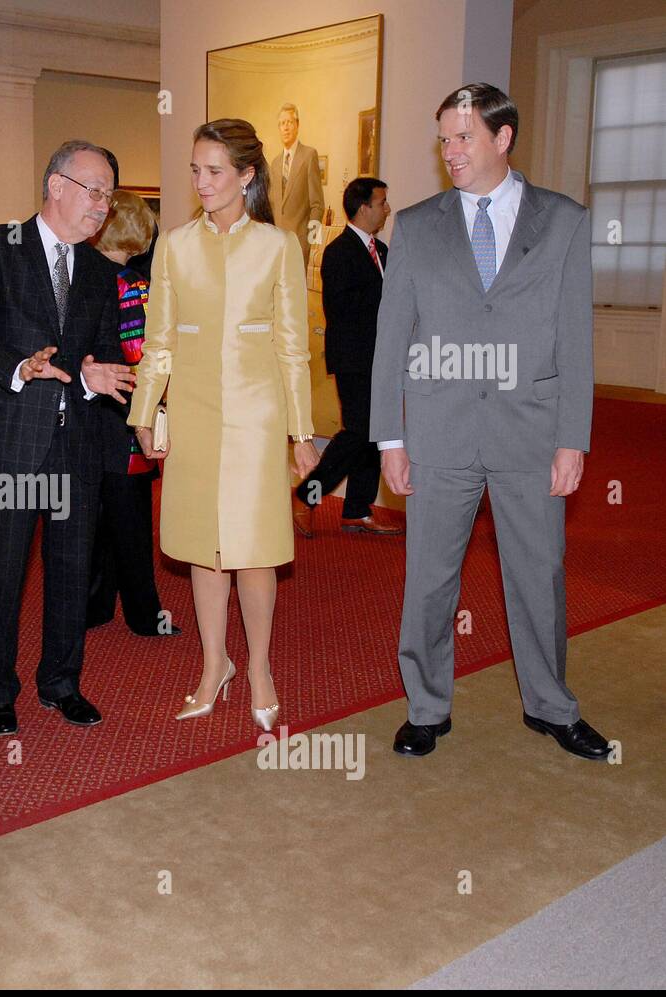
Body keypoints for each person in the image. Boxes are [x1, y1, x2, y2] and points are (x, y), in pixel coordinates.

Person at [371, 83, 610, 761]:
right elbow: (393, 339)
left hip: (531, 434)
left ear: (504, 138)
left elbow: (575, 340)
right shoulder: (417, 225)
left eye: (464, 137)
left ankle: (550, 706)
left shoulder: (563, 221)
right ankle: (426, 707)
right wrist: (391, 435)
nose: (450, 151)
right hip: (438, 433)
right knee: (429, 579)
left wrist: (573, 438)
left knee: (540, 576)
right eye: (443, 137)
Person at [129, 119, 318, 729]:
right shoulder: (173, 246)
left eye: (214, 171)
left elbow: (293, 348)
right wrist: (145, 413)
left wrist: (301, 432)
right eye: (195, 170)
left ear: (246, 176)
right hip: (192, 414)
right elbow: (157, 342)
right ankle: (215, 665)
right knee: (202, 552)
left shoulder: (278, 246)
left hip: (258, 419)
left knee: (255, 550)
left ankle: (259, 667)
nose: (201, 182)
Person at [0, 139, 137, 736]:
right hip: (7, 442)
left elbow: (101, 357)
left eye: (109, 195)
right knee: (0, 573)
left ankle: (61, 683)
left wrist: (92, 376)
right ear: (56, 186)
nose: (103, 206)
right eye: (94, 190)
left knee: (70, 573)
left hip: (75, 445)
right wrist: (17, 366)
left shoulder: (103, 272)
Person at [87, 190, 180, 637]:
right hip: (127, 419)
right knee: (133, 525)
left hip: (89, 419)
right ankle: (144, 615)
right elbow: (142, 353)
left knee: (99, 521)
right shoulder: (133, 286)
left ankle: (96, 604)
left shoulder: (81, 277)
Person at [292, 177, 403, 537]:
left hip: (382, 359)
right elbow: (340, 309)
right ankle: (306, 496)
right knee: (358, 432)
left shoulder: (382, 252)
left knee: (375, 433)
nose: (387, 209)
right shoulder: (340, 252)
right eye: (382, 202)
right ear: (362, 207)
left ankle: (357, 508)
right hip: (355, 358)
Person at [268, 104, 325, 265]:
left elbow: (317, 204)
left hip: (299, 243)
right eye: (282, 123)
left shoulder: (309, 155)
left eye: (289, 122)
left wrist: (311, 241)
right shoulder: (275, 163)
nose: (285, 128)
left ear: (297, 125)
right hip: (276, 244)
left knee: (297, 288)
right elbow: (272, 205)